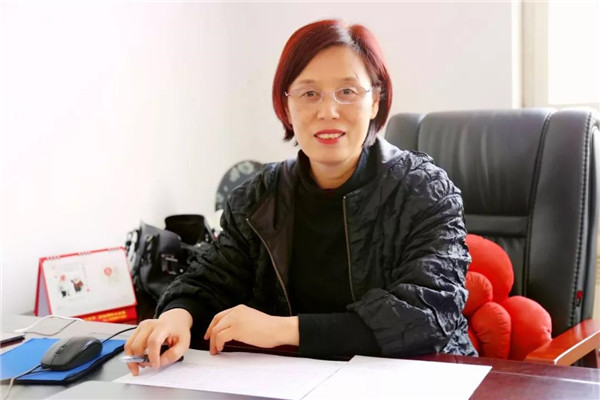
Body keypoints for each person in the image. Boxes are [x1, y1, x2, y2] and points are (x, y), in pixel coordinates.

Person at [124, 19, 476, 376]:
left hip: (419, 378)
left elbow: (428, 312)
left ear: (375, 101)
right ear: (286, 105)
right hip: (294, 382)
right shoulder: (259, 197)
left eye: (347, 91)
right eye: (309, 93)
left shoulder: (423, 191)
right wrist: (176, 317)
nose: (328, 111)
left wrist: (282, 330)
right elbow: (211, 278)